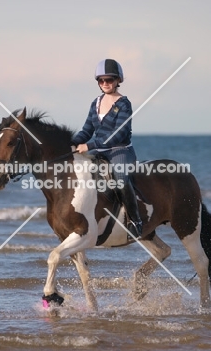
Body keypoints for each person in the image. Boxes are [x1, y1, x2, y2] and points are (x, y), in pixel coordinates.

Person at [71, 58, 143, 238]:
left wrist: (89, 145)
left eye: (109, 80)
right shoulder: (95, 103)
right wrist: (71, 143)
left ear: (118, 80)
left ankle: (135, 220)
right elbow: (87, 129)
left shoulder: (124, 104)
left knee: (120, 178)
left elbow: (117, 135)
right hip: (99, 151)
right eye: (101, 80)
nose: (105, 83)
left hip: (120, 150)